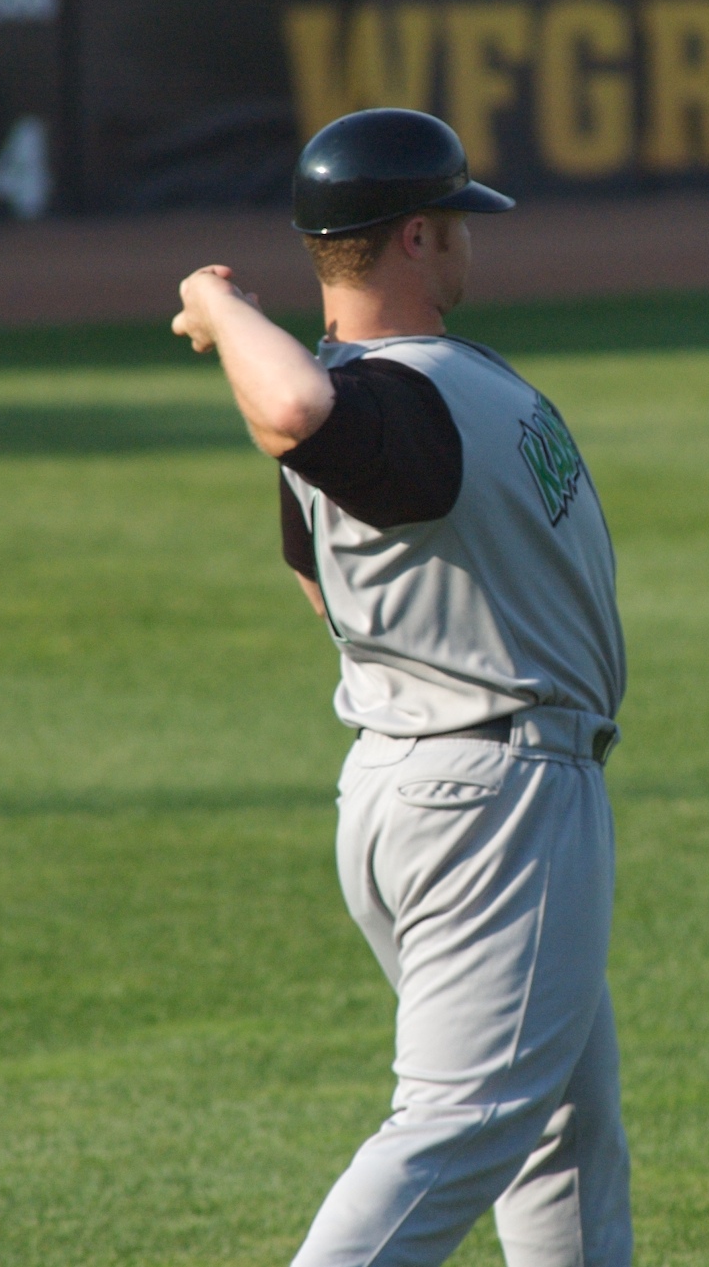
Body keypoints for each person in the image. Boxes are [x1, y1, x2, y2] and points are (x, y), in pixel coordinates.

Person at [173, 108, 633, 1267]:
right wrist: (227, 309)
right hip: (495, 795)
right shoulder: (382, 400)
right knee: (459, 1125)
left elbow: (309, 570)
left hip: (432, 777)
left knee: (560, 1130)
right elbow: (288, 411)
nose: (474, 242)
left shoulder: (387, 404)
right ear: (417, 237)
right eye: (459, 222)